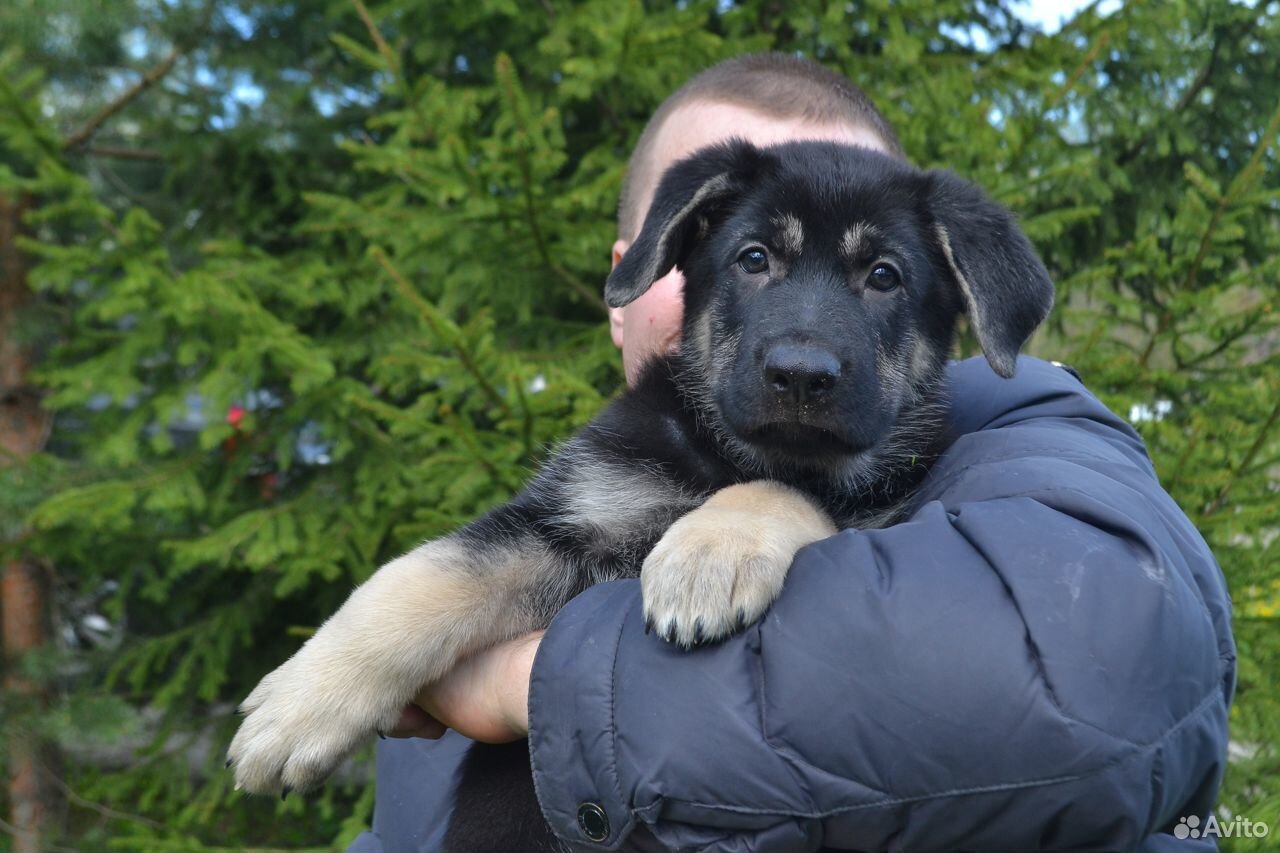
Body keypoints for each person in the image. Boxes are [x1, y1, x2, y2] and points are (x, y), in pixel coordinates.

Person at [345, 54, 1234, 852]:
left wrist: (521, 682)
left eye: (880, 277)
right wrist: (354, 662)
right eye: (757, 258)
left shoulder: (1011, 449)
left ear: (950, 304)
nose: (804, 347)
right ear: (651, 265)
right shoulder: (617, 462)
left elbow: (1083, 684)